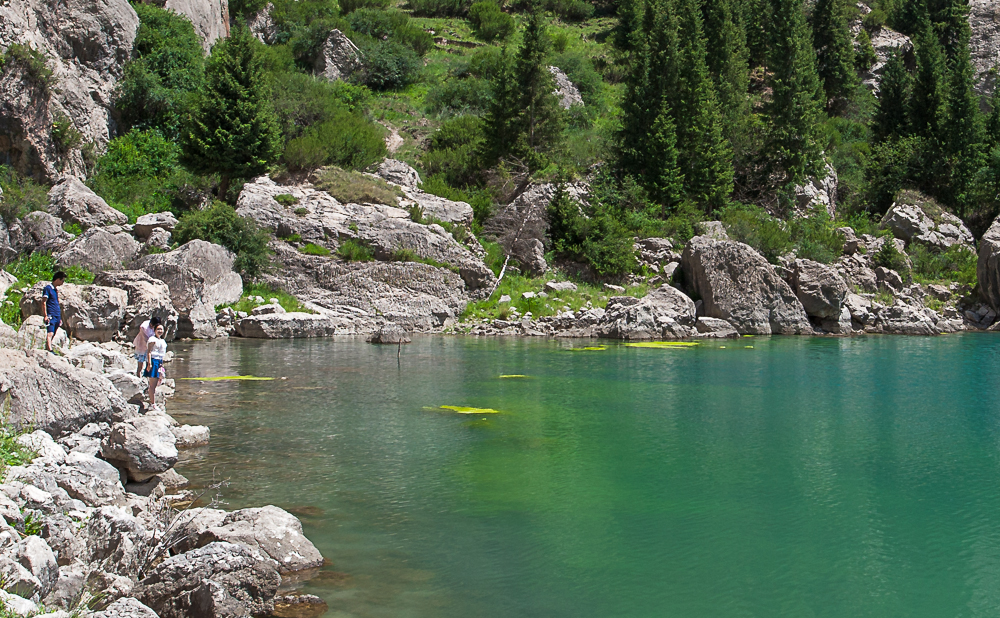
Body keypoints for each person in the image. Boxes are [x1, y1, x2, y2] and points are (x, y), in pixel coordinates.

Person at [41, 272, 66, 353]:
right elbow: (44, 302)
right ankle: (50, 349)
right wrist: (45, 315)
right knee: (50, 332)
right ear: (58, 279)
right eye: (62, 280)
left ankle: (48, 346)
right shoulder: (48, 288)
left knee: (54, 331)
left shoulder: (55, 290)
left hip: (57, 314)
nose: (63, 282)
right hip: (51, 313)